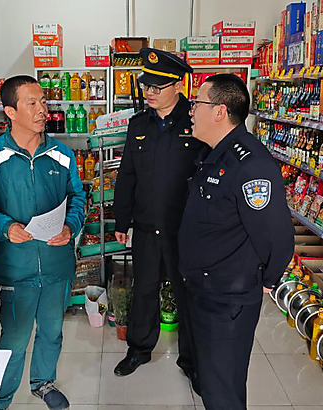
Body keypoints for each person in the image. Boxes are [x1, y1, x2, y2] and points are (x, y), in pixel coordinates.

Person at [0, 75, 86, 410]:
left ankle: (43, 383)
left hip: (57, 263)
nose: (42, 110)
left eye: (43, 102)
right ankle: (1, 398)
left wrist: (70, 226)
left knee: (52, 331)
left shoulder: (62, 155)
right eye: (31, 103)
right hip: (16, 266)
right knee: (14, 339)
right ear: (10, 112)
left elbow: (78, 197)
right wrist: (5, 227)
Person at [178, 74, 295, 409]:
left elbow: (276, 235)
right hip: (203, 290)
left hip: (226, 299)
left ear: (220, 111)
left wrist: (267, 279)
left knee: (223, 392)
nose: (191, 111)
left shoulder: (250, 164)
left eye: (197, 103)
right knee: (211, 382)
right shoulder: (216, 154)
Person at [113, 47, 207, 386]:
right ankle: (139, 349)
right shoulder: (139, 124)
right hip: (146, 224)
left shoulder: (197, 121)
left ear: (178, 85)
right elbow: (127, 175)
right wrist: (122, 221)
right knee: (144, 289)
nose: (149, 92)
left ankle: (192, 361)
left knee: (187, 295)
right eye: (146, 85)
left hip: (184, 230)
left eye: (157, 86)